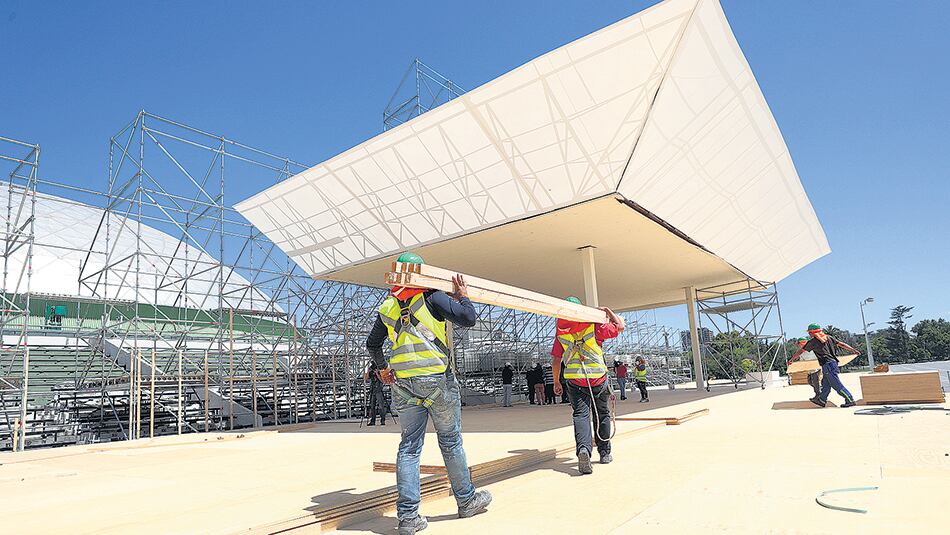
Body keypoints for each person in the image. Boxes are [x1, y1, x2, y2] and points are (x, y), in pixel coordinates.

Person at [366, 252, 492, 534]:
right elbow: (469, 318)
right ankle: (467, 500)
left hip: (403, 384)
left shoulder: (387, 307)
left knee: (409, 447)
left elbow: (372, 344)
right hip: (436, 381)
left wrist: (383, 369)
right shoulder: (431, 297)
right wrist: (462, 296)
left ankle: (408, 518)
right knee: (450, 441)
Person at [551, 297, 625, 474]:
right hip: (598, 378)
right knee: (602, 414)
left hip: (575, 380)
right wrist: (607, 311)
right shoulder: (594, 326)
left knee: (580, 415)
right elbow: (620, 326)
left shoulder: (561, 333)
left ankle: (584, 450)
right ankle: (605, 452)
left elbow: (555, 360)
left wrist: (555, 381)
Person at [790, 323, 857, 408]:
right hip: (832, 363)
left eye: (809, 332)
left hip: (828, 365)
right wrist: (853, 350)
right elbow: (841, 344)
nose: (809, 334)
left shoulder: (813, 341)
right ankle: (821, 400)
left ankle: (850, 399)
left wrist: (791, 359)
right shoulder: (829, 337)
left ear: (813, 332)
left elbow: (800, 351)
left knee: (836, 384)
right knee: (825, 384)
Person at [364, 361, 388, 426]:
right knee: (372, 406)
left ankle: (382, 420)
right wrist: (368, 371)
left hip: (379, 390)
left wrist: (377, 373)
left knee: (381, 406)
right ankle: (372, 421)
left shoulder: (380, 369)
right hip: (372, 389)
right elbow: (366, 378)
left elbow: (382, 381)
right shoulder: (371, 368)